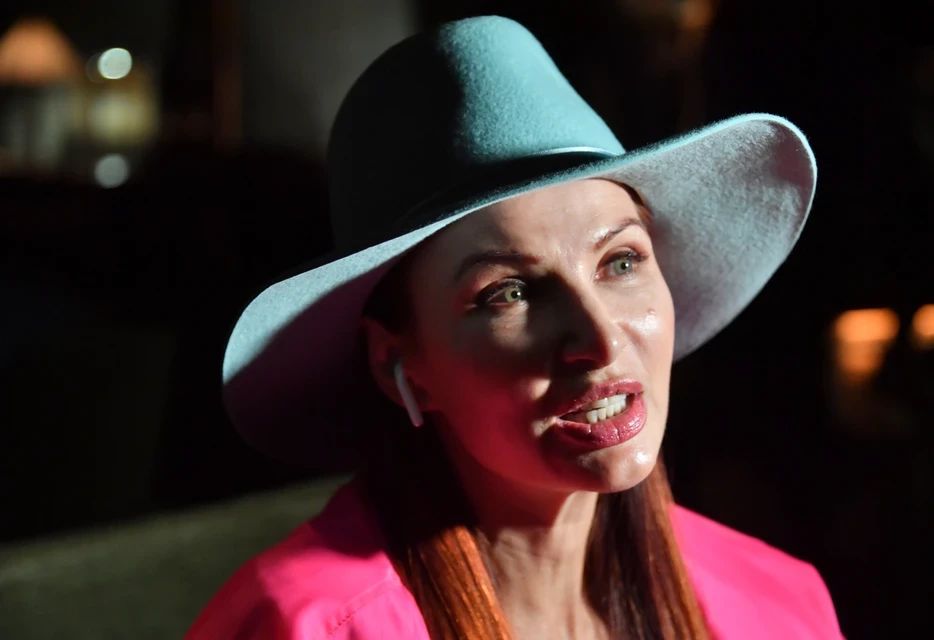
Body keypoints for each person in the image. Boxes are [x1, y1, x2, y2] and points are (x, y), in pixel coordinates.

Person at [186, 16, 843, 640]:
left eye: (620, 261)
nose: (602, 342)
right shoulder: (305, 626)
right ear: (399, 366)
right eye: (510, 292)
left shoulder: (776, 606)